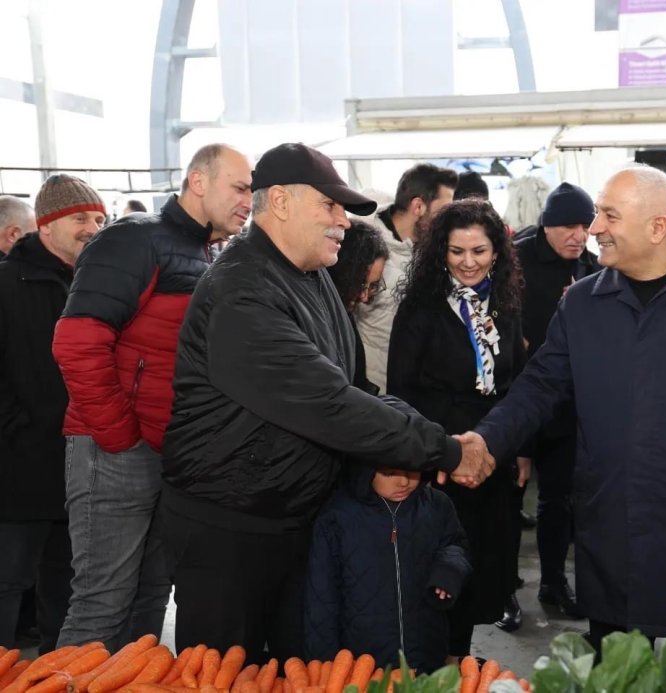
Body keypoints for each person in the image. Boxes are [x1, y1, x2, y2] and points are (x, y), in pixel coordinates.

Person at [159, 143, 491, 663]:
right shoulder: (241, 290)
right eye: (330, 206)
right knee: (221, 673)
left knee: (300, 668)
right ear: (283, 203)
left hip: (291, 521)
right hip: (229, 535)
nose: (344, 222)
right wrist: (446, 450)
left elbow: (354, 385)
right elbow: (330, 404)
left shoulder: (311, 279)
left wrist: (433, 436)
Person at [463, 166, 666, 693]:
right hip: (614, 530)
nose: (594, 228)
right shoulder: (584, 303)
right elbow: (539, 386)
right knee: (616, 674)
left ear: (658, 227)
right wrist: (485, 441)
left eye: (609, 215)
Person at [50, 144, 253, 651]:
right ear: (198, 182)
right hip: (116, 446)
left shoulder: (211, 252)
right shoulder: (135, 240)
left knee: (149, 600)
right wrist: (120, 436)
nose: (249, 201)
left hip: (168, 451)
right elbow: (77, 341)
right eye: (240, 187)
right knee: (102, 603)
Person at [386, 199, 531, 659]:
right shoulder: (420, 307)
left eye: (480, 251)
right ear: (440, 253)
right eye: (456, 252)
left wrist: (517, 448)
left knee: (482, 569)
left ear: (497, 253)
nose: (468, 262)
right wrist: (428, 455)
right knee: (436, 572)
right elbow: (401, 392)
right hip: (440, 462)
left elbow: (515, 382)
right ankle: (431, 666)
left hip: (494, 458)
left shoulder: (505, 305)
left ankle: (459, 660)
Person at [0, 175, 105, 652]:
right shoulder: (6, 283)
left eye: (100, 219)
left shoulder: (98, 284)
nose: (93, 228)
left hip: (81, 467)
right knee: (7, 583)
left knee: (67, 589)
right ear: (45, 225)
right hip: (18, 467)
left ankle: (56, 677)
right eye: (80, 218)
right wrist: (17, 426)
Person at [514, 182, 600, 622]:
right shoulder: (515, 260)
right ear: (547, 225)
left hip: (572, 403)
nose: (578, 235)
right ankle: (504, 591)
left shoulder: (593, 265)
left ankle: (552, 582)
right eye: (568, 225)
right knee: (508, 502)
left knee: (559, 500)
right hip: (520, 397)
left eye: (586, 226)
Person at [304, 465, 471, 673]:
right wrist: (324, 665)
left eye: (413, 471)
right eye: (390, 473)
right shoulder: (336, 517)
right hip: (363, 662)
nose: (404, 482)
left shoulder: (437, 505)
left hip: (426, 650)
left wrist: (449, 570)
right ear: (366, 469)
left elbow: (455, 544)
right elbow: (321, 599)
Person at [354, 163, 458, 392]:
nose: (449, 219)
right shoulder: (360, 248)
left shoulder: (435, 252)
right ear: (418, 206)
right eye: (444, 210)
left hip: (420, 386)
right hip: (375, 387)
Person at [327, 219, 390, 394]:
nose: (364, 296)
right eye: (361, 283)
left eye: (373, 286)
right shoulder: (323, 318)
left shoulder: (345, 315)